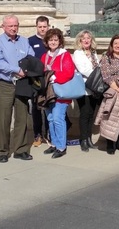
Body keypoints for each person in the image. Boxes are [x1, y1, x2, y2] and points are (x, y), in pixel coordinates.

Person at [0, 15, 35, 163]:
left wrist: (25, 69)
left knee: (22, 117)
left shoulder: (24, 41)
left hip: (22, 83)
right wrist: (17, 69)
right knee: (4, 118)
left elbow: (31, 57)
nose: (13, 28)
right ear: (3, 26)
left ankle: (20, 149)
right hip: (5, 84)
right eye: (10, 26)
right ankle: (3, 151)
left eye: (15, 25)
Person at [41, 28, 76, 158]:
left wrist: (54, 77)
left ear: (60, 41)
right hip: (47, 93)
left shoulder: (64, 54)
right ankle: (54, 144)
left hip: (60, 92)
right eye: (51, 40)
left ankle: (61, 146)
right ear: (47, 41)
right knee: (50, 119)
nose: (53, 42)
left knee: (57, 119)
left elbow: (69, 72)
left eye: (56, 40)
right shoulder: (44, 56)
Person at [98, 34, 119, 154]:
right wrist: (118, 90)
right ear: (111, 45)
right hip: (113, 92)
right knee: (110, 118)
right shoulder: (106, 57)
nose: (118, 46)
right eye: (115, 43)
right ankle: (110, 144)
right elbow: (106, 77)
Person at [73, 30, 100, 152]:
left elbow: (98, 67)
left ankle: (89, 139)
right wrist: (97, 75)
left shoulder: (94, 53)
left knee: (91, 114)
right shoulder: (78, 53)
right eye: (83, 38)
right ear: (80, 40)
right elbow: (83, 69)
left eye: (88, 38)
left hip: (93, 88)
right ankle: (83, 140)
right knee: (84, 114)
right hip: (83, 88)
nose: (86, 40)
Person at [28, 16, 50, 147]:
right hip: (35, 80)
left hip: (49, 79)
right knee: (36, 109)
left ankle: (48, 134)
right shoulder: (30, 41)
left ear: (48, 26)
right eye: (40, 27)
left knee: (48, 107)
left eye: (44, 26)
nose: (42, 29)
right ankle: (37, 135)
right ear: (36, 27)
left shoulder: (52, 40)